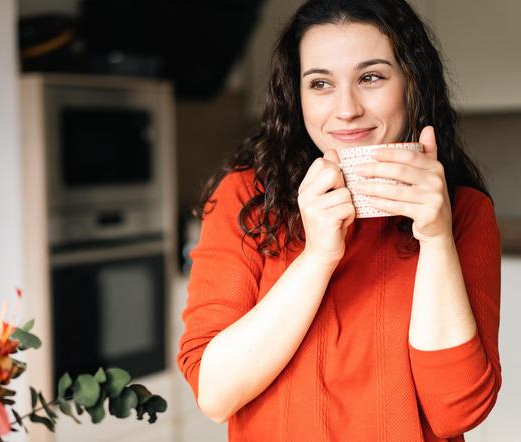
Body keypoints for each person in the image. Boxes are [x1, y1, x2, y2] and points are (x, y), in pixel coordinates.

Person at [176, 0, 502, 441]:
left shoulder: (462, 212)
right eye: (321, 83)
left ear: (412, 85)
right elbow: (215, 394)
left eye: (371, 77)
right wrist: (317, 257)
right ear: (298, 96)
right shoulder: (245, 198)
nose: (345, 109)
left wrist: (435, 238)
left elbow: (456, 411)